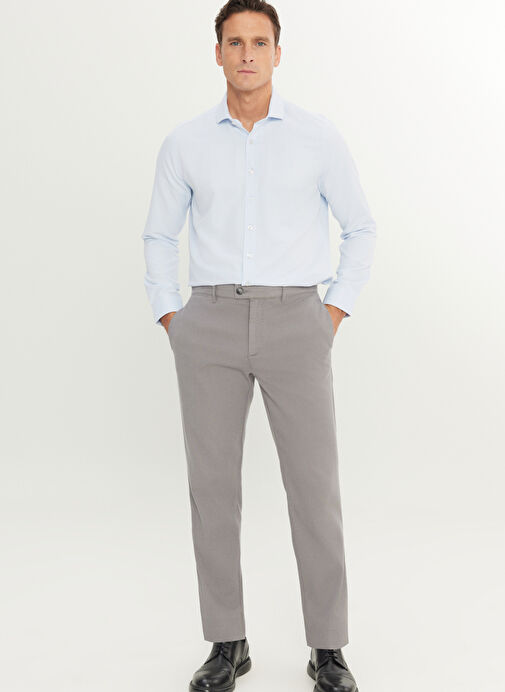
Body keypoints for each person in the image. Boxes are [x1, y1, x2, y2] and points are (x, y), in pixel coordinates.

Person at [141, 1, 376, 690]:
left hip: (296, 317)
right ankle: (227, 642)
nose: (247, 53)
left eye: (259, 42)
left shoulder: (317, 138)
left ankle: (327, 648)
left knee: (314, 489)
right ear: (217, 52)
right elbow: (158, 235)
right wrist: (172, 317)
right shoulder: (185, 142)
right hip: (208, 322)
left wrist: (331, 311)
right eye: (235, 42)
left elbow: (360, 227)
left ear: (277, 52)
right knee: (212, 490)